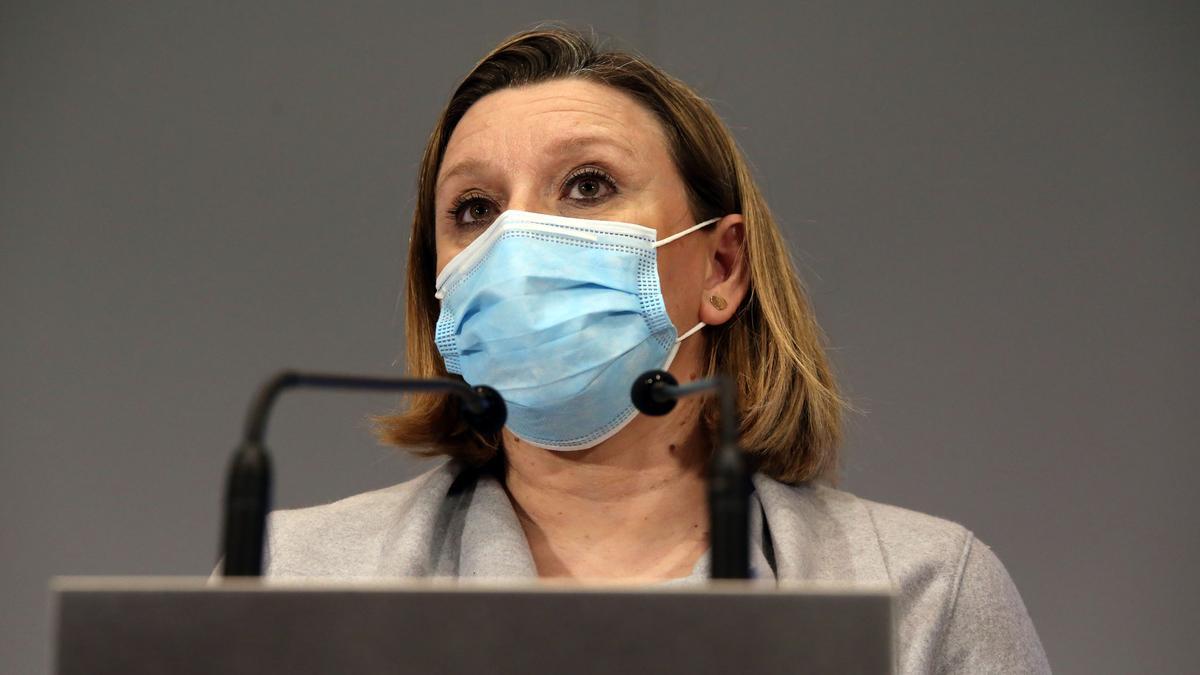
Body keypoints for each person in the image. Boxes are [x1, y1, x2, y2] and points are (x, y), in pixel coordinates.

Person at [262, 26, 1050, 673]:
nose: (517, 241)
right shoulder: (293, 582)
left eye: (587, 185)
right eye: (473, 207)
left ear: (721, 266)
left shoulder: (920, 592)